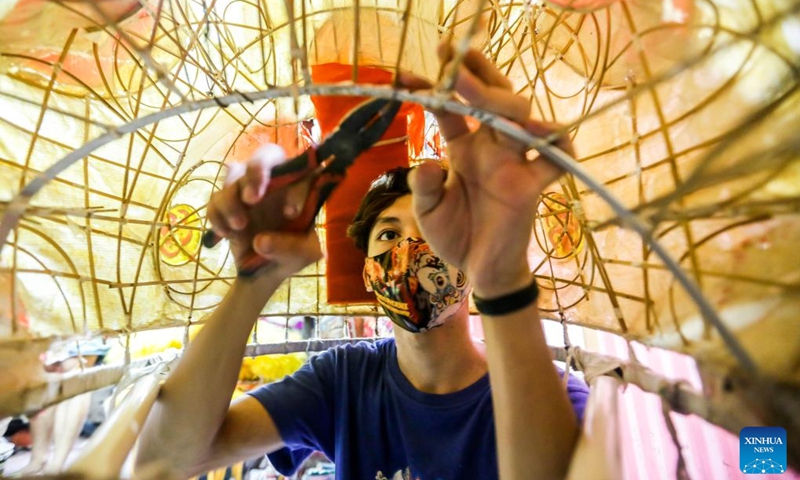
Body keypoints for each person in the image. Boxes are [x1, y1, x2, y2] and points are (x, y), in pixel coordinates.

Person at [137, 44, 588, 480]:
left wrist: (502, 279)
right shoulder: (344, 382)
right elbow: (168, 459)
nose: (410, 249)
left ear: (467, 264)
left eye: (431, 233)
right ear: (370, 272)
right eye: (389, 235)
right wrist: (256, 278)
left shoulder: (553, 395)